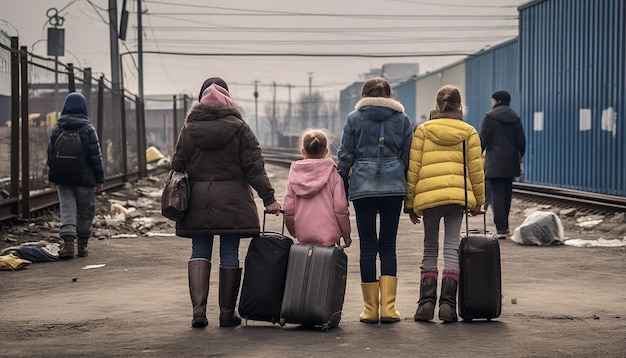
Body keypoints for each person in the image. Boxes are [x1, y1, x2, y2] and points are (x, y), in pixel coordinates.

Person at [170, 77, 281, 329]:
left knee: (199, 251)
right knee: (229, 253)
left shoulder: (188, 129)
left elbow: (177, 165)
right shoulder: (240, 128)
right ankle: (226, 313)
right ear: (228, 100)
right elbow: (254, 168)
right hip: (233, 201)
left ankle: (198, 311)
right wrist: (269, 198)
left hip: (197, 201)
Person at [405, 85, 485, 323]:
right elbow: (476, 171)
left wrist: (410, 204)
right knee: (452, 247)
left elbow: (414, 169)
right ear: (460, 107)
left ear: (437, 105)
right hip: (456, 199)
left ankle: (426, 305)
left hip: (429, 199)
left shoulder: (423, 131)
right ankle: (448, 306)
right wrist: (478, 202)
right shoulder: (469, 132)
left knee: (430, 247)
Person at [337, 77, 413, 324]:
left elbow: (345, 155)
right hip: (393, 185)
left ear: (364, 95)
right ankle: (389, 309)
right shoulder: (402, 119)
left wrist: (343, 188)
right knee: (388, 245)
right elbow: (407, 156)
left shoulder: (354, 118)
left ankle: (370, 310)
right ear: (390, 95)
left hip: (363, 186)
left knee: (368, 246)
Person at [47, 92, 105, 259]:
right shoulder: (88, 129)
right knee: (86, 210)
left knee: (67, 209)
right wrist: (99, 178)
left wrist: (55, 173)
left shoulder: (57, 128)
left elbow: (50, 155)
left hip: (62, 179)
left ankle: (68, 247)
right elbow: (95, 157)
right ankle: (82, 247)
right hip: (84, 179)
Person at [283, 129, 351, 248]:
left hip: (303, 231)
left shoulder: (294, 174)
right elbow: (340, 208)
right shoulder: (333, 173)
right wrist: (346, 234)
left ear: (303, 151)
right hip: (329, 234)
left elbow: (288, 208)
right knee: (327, 263)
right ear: (326, 151)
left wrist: (294, 231)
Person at [479, 90, 526, 239]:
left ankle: (501, 228)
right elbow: (521, 141)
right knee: (507, 194)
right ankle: (504, 227)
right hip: (511, 162)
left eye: (493, 100)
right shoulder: (515, 117)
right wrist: (518, 158)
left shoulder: (489, 117)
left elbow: (483, 140)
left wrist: (478, 155)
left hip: (494, 163)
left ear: (497, 101)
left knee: (497, 195)